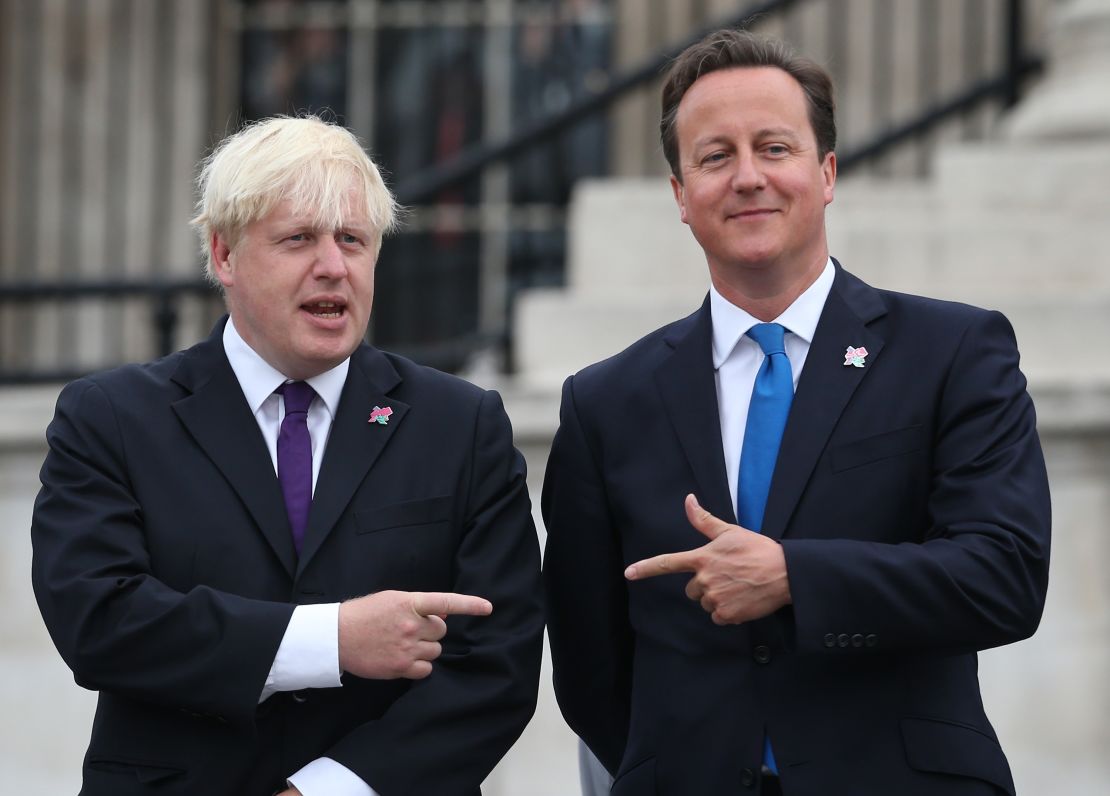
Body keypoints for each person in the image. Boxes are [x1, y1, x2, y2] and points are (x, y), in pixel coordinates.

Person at [542, 29, 1049, 796]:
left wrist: (796, 577)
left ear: (827, 172)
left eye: (774, 148)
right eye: (716, 157)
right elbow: (589, 663)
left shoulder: (952, 351)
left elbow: (1003, 577)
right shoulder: (605, 401)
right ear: (681, 194)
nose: (748, 177)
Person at [31, 115, 543, 795]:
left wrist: (328, 791)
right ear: (224, 256)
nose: (332, 266)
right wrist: (330, 640)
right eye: (299, 238)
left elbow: (496, 665)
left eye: (353, 240)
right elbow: (100, 621)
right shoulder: (112, 419)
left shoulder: (461, 426)